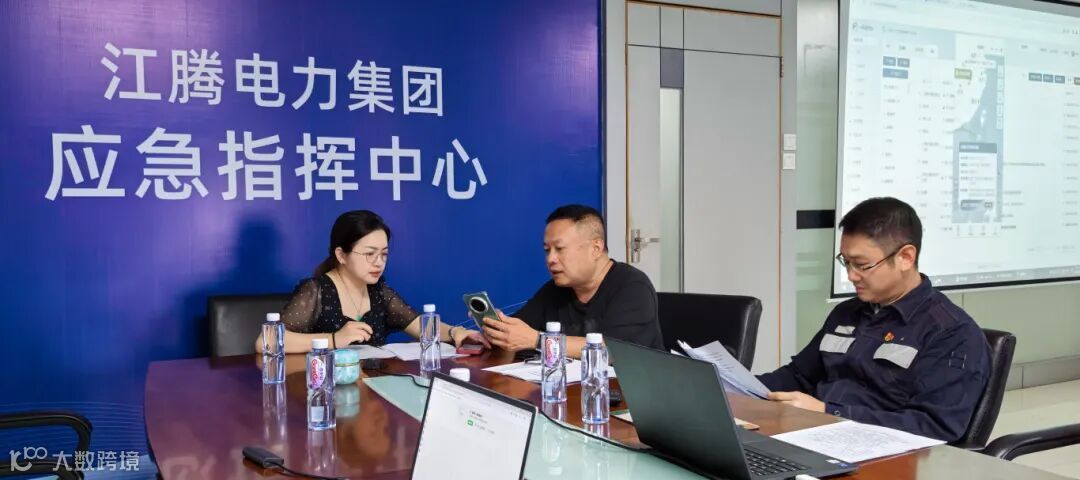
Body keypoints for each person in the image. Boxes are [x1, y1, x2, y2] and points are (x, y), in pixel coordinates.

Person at [757, 197, 990, 442]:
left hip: (887, 453)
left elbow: (932, 426)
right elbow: (799, 376)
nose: (851, 275)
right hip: (819, 435)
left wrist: (829, 413)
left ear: (906, 257)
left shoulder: (951, 332)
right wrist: (742, 387)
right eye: (846, 262)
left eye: (861, 265)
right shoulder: (847, 312)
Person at [255, 210, 489, 353]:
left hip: (372, 393)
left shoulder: (379, 292)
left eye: (384, 254)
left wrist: (457, 332)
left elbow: (420, 325)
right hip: (326, 392)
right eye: (369, 254)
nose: (379, 263)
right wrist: (335, 339)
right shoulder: (316, 290)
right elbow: (267, 341)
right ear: (341, 255)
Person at [482, 204, 663, 359]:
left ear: (596, 248)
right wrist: (497, 329)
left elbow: (614, 350)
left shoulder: (633, 287)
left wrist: (537, 340)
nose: (550, 259)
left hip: (629, 388)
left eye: (560, 249)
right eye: (547, 250)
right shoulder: (556, 289)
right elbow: (520, 332)